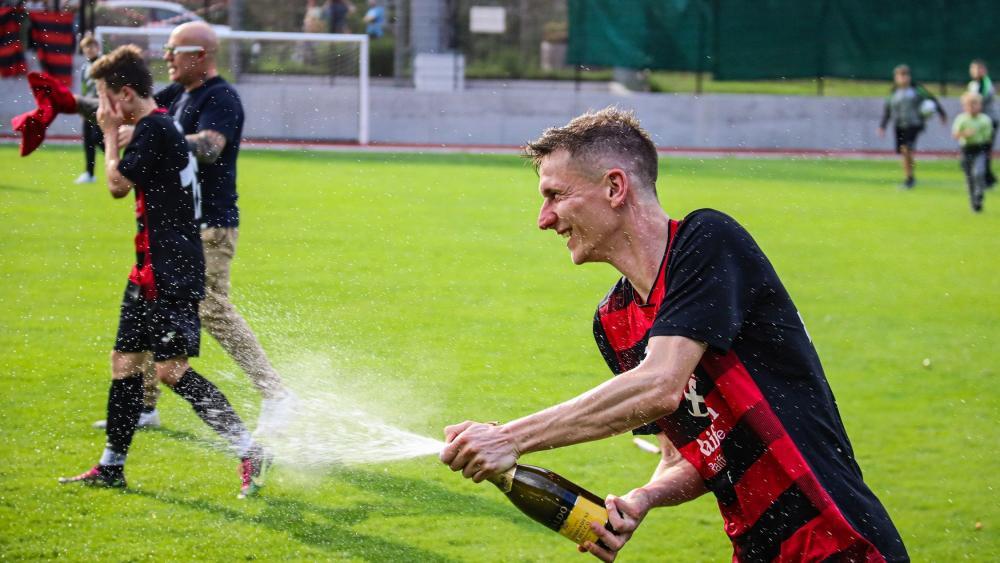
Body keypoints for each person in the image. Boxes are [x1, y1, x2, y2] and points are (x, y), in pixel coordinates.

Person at [440, 108, 909, 562]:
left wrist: (509, 438)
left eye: (555, 195)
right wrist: (643, 499)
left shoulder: (707, 240)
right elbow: (694, 454)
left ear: (614, 187)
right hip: (755, 549)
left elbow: (661, 385)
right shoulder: (614, 321)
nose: (544, 219)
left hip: (836, 539)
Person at [58, 45, 269, 498]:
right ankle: (111, 465)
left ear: (126, 94)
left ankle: (250, 449)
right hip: (149, 267)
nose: (104, 108)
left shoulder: (155, 128)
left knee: (170, 372)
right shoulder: (161, 125)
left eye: (105, 97)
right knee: (125, 364)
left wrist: (110, 134)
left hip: (172, 270)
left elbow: (116, 185)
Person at [80, 22, 293, 431]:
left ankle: (277, 394)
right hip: (174, 228)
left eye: (174, 50)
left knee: (212, 308)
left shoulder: (221, 97)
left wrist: (159, 138)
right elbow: (131, 103)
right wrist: (67, 97)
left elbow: (211, 148)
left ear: (201, 55)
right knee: (151, 305)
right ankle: (143, 406)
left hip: (211, 224)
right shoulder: (177, 94)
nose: (166, 58)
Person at [878, 64, 946, 189]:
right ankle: (909, 176)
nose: (903, 78)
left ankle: (910, 178)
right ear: (896, 78)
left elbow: (932, 99)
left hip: (914, 124)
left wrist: (942, 114)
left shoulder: (916, 89)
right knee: (905, 153)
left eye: (905, 75)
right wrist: (882, 126)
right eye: (900, 76)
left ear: (909, 77)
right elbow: (887, 110)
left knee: (907, 149)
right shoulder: (893, 92)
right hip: (899, 125)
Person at [952, 92, 993, 213]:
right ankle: (974, 203)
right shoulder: (961, 119)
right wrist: (965, 134)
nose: (972, 108)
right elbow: (955, 135)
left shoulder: (985, 120)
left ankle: (979, 193)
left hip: (979, 149)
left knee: (978, 173)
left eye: (974, 105)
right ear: (964, 106)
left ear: (980, 106)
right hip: (966, 150)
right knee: (969, 177)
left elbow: (988, 137)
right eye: (969, 105)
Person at [74, 33, 103, 184]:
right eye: (86, 47)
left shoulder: (103, 63)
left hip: (100, 106)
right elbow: (84, 88)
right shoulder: (85, 66)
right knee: (88, 141)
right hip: (88, 107)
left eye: (92, 46)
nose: (89, 50)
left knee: (98, 137)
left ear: (97, 47)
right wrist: (82, 107)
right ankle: (89, 174)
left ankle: (119, 164)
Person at [967, 59, 998, 187]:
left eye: (978, 69)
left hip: (988, 121)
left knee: (984, 149)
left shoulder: (986, 83)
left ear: (984, 70)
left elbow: (979, 100)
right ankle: (988, 177)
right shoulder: (973, 84)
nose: (975, 71)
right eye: (973, 69)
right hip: (977, 122)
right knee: (979, 148)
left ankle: (987, 177)